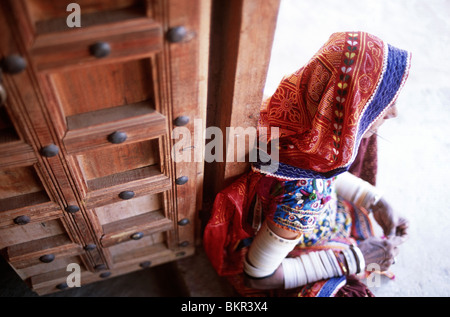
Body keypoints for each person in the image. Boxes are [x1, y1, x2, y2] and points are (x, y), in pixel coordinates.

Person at [203, 31, 411, 297]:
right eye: (384, 103)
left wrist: (374, 199)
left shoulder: (287, 114)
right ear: (350, 110)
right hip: (289, 244)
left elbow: (320, 174)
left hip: (298, 218)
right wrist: (355, 257)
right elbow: (257, 277)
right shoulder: (304, 199)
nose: (394, 112)